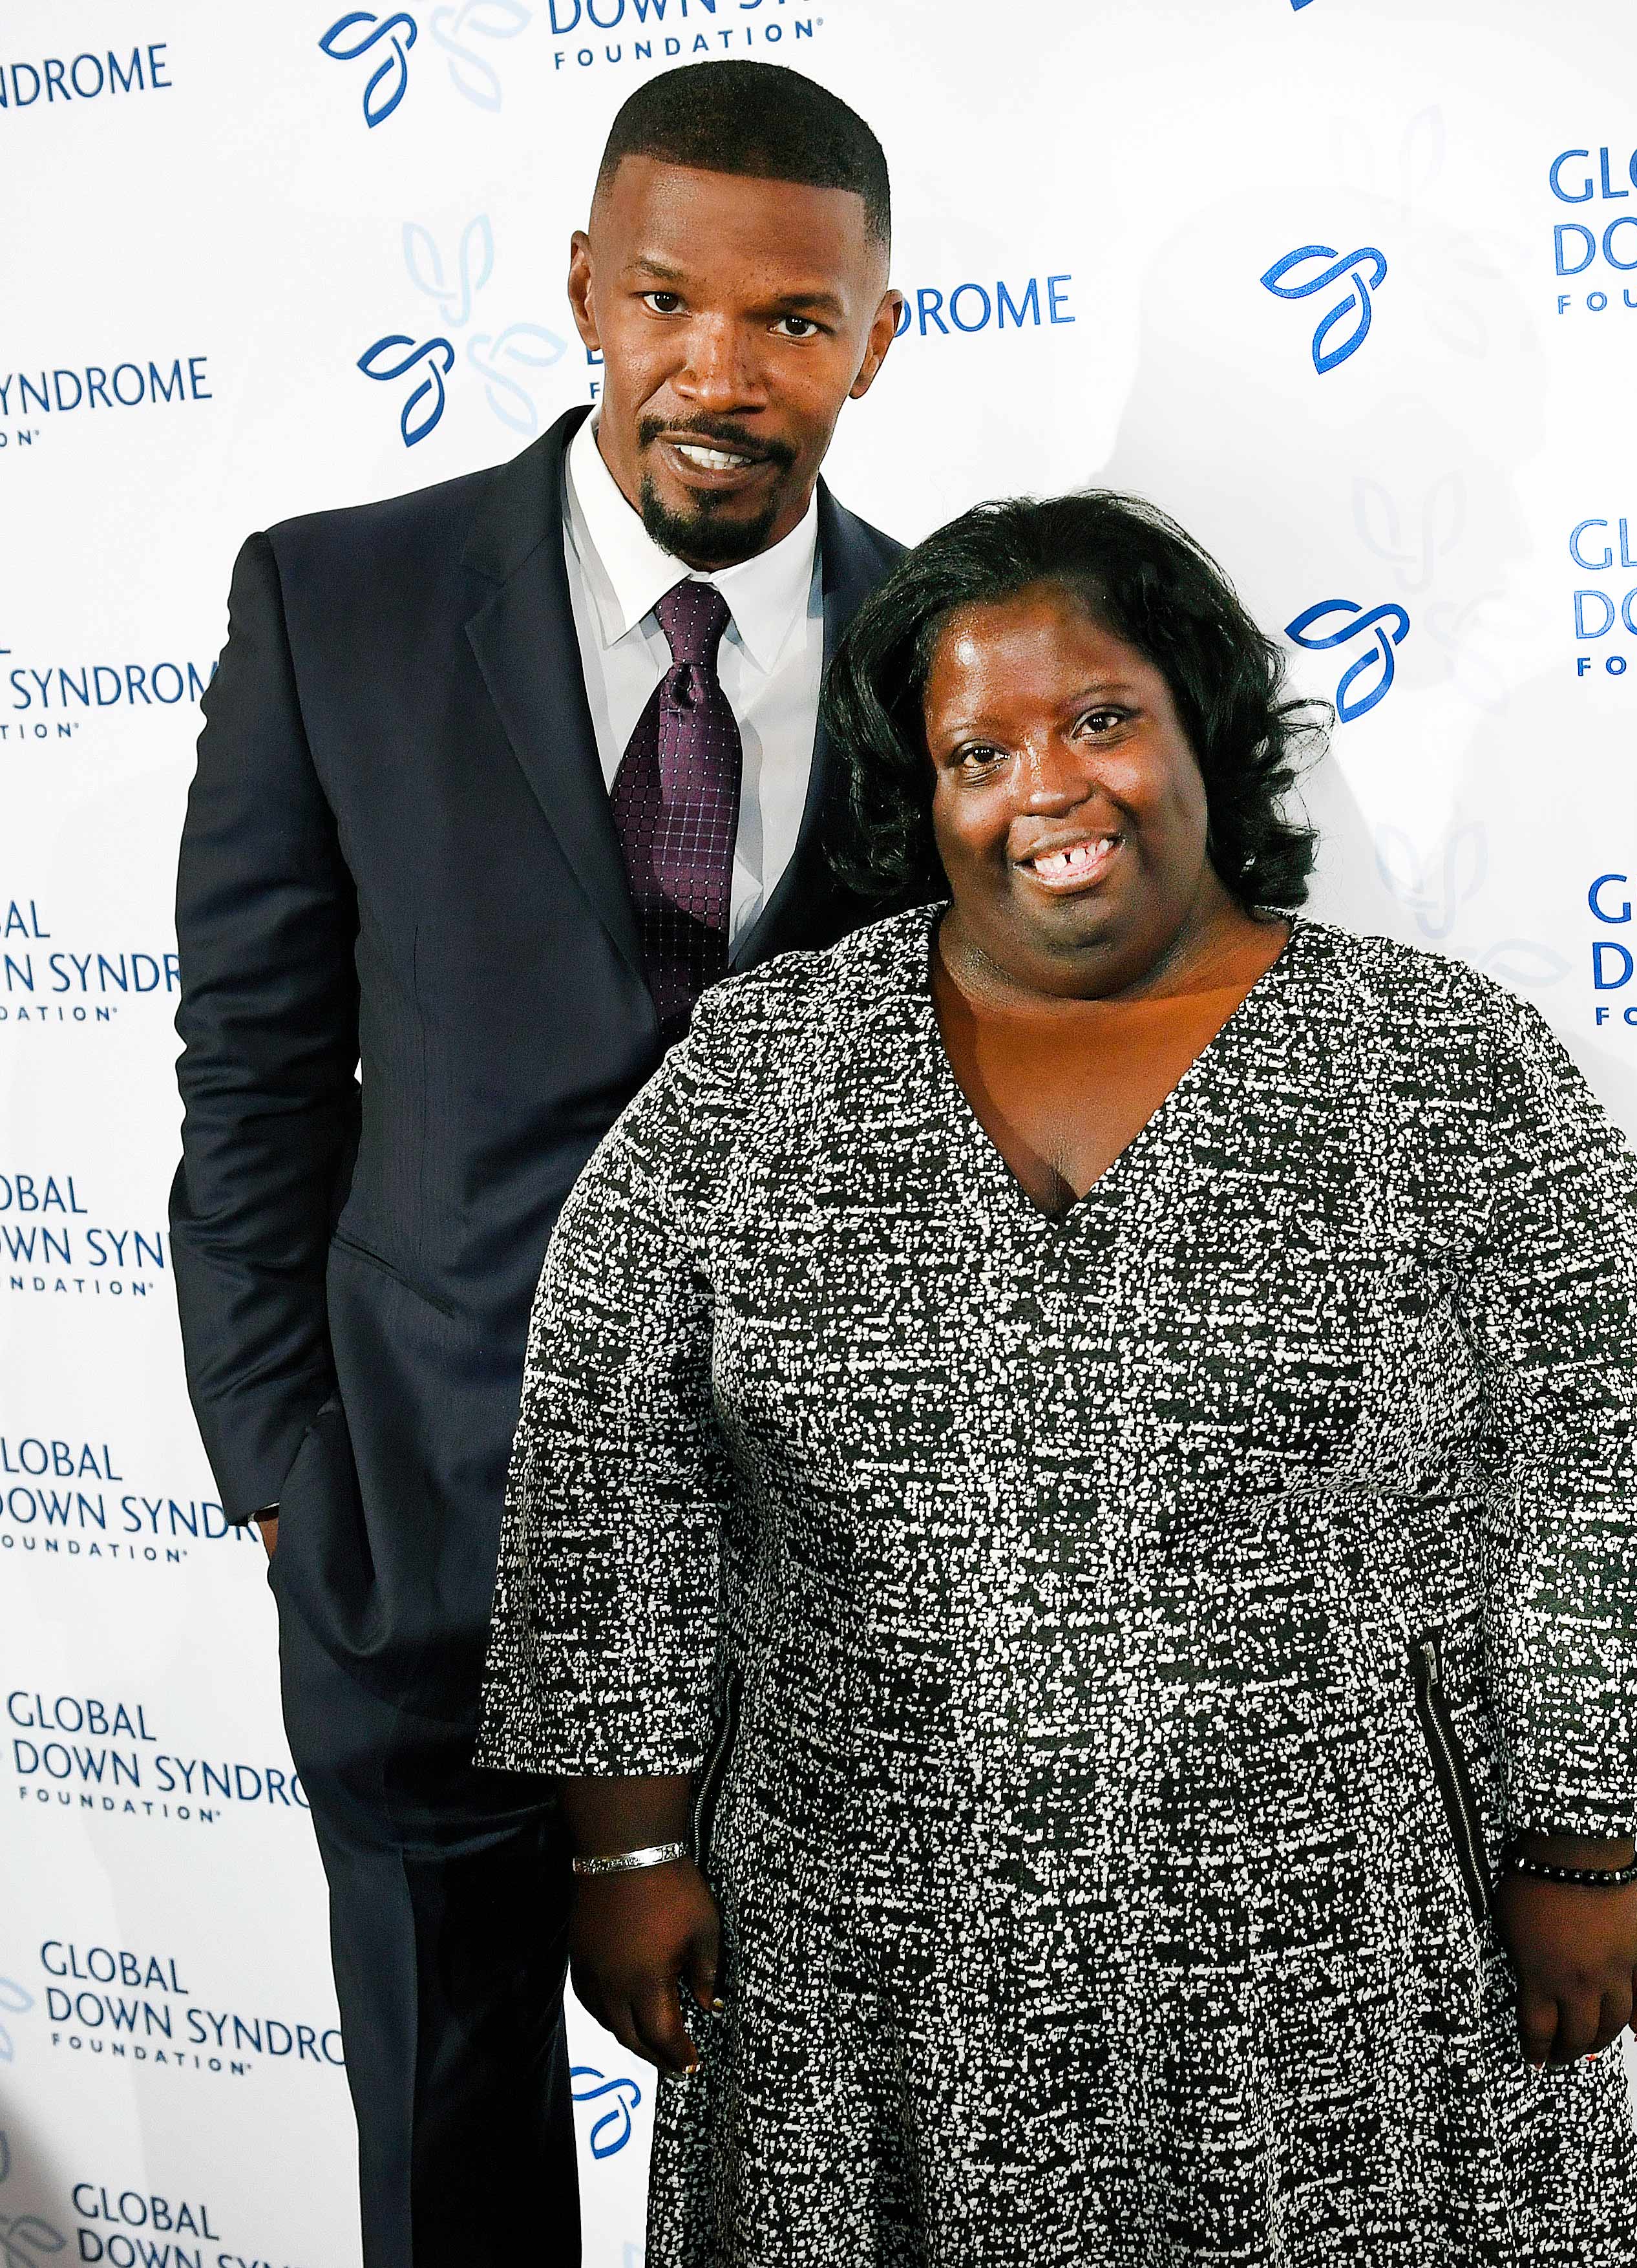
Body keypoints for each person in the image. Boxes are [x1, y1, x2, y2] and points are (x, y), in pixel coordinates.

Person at [477, 492, 1637, 2265]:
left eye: (1102, 720)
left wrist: (1584, 1849)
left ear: (1203, 724)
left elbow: (1599, 1466)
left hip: (1344, 1959)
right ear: (927, 797)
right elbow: (612, 1468)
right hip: (857, 1965)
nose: (1046, 788)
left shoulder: (1447, 1067)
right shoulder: (759, 1073)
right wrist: (621, 1851)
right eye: (978, 749)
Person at [169, 61, 905, 2268]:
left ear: (878, 336)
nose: (723, 365)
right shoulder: (340, 606)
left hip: (831, 1588)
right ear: (588, 288)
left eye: (795, 320)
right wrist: (292, 1469)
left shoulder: (955, 652)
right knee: (453, 2147)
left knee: (817, 2174)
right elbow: (257, 1079)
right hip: (422, 1547)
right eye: (670, 297)